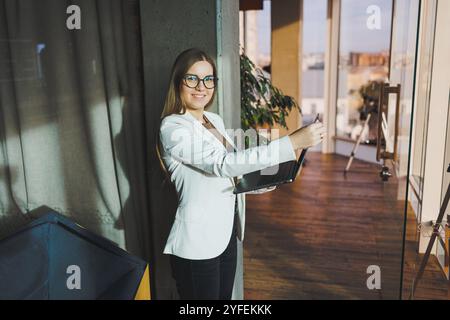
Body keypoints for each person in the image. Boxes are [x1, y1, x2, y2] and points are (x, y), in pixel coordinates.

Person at [157, 48, 326, 300]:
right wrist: (289, 143)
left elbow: (236, 172)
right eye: (192, 78)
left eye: (208, 79)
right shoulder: (173, 127)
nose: (201, 87)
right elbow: (222, 164)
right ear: (178, 82)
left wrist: (275, 176)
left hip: (226, 234)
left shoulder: (213, 120)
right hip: (197, 244)